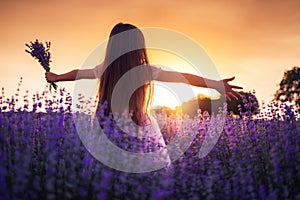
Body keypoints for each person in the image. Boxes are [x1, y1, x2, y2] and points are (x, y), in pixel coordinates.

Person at [45, 22, 242, 165]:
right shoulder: (145, 70)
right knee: (143, 172)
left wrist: (57, 77)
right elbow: (182, 77)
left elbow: (78, 74)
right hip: (139, 128)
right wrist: (215, 84)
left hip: (106, 126)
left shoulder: (104, 69)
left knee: (106, 172)